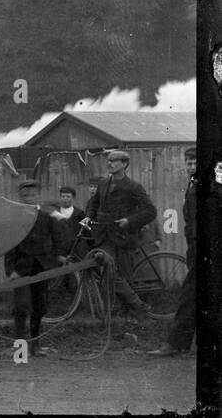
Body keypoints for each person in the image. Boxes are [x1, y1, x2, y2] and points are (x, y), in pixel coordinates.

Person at [86, 149, 156, 320]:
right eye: (109, 160)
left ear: (124, 164)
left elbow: (150, 211)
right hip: (104, 236)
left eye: (114, 161)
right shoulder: (103, 183)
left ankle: (126, 313)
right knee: (109, 269)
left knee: (124, 276)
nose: (109, 163)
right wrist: (88, 217)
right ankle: (138, 305)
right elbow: (93, 204)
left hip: (124, 237)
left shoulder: (134, 187)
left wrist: (130, 221)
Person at [5, 179, 61, 355]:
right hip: (21, 269)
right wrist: (11, 271)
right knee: (21, 307)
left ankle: (35, 346)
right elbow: (9, 247)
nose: (29, 198)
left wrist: (54, 260)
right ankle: (20, 348)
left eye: (32, 195)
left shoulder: (46, 217)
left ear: (39, 196)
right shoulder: (15, 219)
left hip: (41, 268)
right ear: (20, 197)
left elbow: (58, 240)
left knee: (40, 307)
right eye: (25, 195)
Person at [152, 146, 197, 356]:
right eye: (188, 162)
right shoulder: (193, 185)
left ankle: (176, 343)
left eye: (195, 162)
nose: (191, 166)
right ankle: (178, 343)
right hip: (197, 251)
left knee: (190, 296)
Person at [48, 185, 86, 255]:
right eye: (63, 196)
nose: (65, 199)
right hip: (59, 249)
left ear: (73, 198)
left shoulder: (79, 213)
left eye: (68, 197)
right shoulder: (54, 213)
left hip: (76, 249)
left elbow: (84, 232)